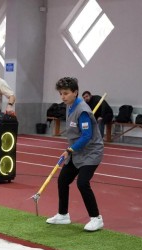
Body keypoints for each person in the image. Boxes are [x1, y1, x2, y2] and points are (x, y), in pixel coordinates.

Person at [46, 77, 104, 232]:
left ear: (75, 92)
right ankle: (63, 215)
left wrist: (69, 150)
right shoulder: (69, 106)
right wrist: (71, 150)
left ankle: (96, 218)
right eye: (60, 94)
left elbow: (86, 135)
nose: (63, 97)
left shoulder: (82, 110)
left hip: (91, 152)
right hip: (76, 151)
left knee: (82, 183)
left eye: (65, 93)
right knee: (63, 180)